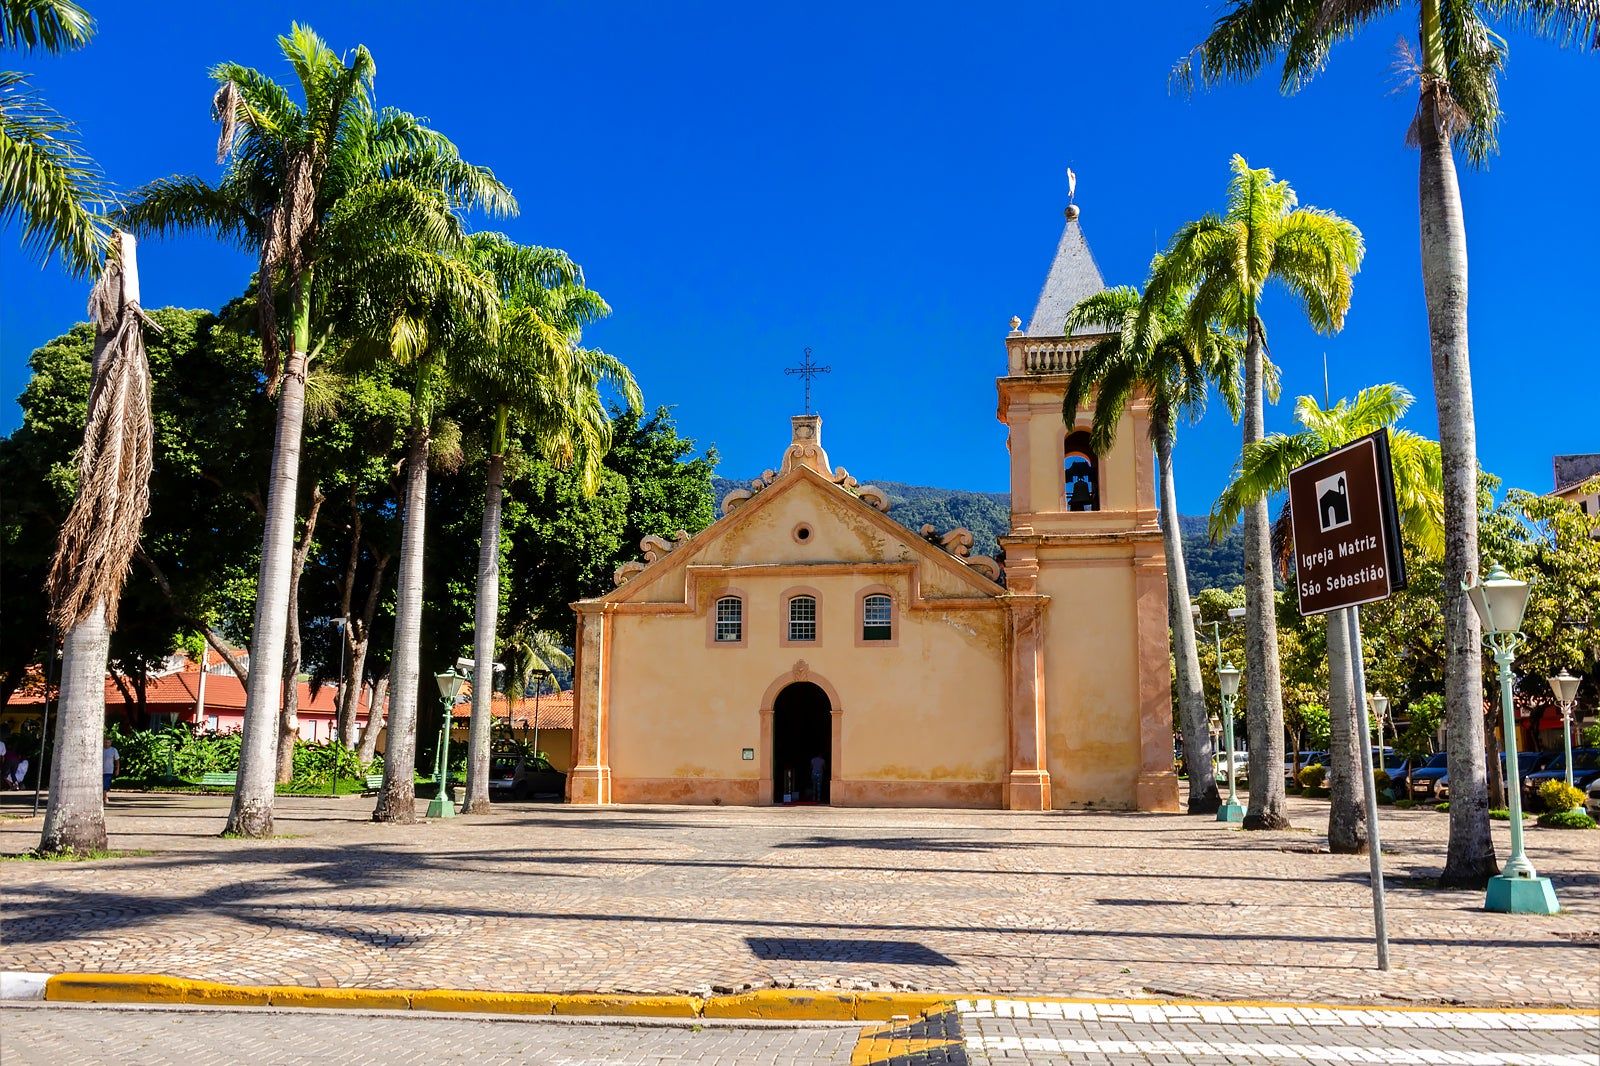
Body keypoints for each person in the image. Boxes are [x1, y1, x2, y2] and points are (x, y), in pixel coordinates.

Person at [103, 735, 120, 801]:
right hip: (100, 770)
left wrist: (117, 769)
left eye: (108, 742)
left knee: (106, 784)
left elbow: (117, 760)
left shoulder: (113, 750)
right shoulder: (100, 749)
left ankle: (104, 796)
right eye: (105, 742)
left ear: (111, 743)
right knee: (102, 785)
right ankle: (105, 796)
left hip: (109, 770)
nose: (106, 744)